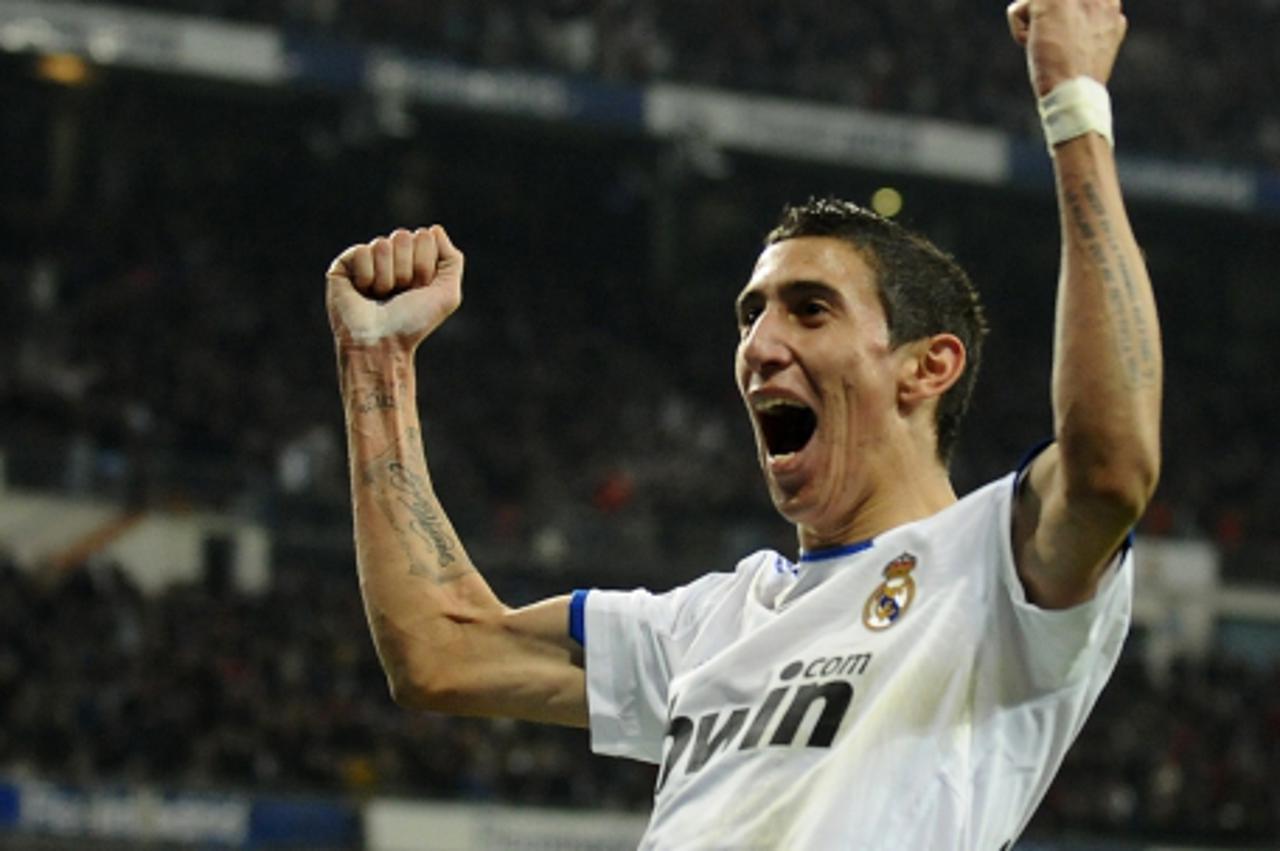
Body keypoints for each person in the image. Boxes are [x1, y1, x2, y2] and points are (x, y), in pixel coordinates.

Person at [324, 0, 1161, 847]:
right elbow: (444, 649)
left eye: (810, 309)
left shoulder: (993, 569)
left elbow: (1110, 468)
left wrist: (1074, 105)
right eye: (750, 315)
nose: (760, 346)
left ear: (927, 366)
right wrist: (377, 361)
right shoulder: (710, 622)